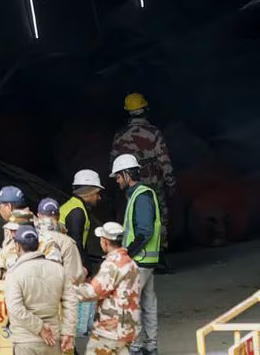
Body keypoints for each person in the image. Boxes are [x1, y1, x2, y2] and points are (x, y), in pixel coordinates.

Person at [111, 93, 176, 252]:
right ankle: (160, 255)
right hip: (154, 182)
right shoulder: (153, 132)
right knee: (159, 216)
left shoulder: (120, 136)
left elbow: (113, 162)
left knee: (134, 216)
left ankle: (135, 251)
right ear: (145, 109)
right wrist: (171, 183)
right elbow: (164, 161)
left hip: (130, 184)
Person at [111, 155, 161, 355]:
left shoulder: (140, 197)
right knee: (148, 304)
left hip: (139, 261)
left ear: (126, 174)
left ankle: (137, 347)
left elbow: (144, 231)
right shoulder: (140, 195)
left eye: (118, 177)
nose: (117, 181)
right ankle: (150, 346)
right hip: (146, 261)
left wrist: (126, 253)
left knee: (132, 307)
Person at [4, 225, 78, 355]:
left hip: (25, 342)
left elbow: (15, 308)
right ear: (38, 245)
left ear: (17, 247)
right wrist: (68, 332)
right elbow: (71, 301)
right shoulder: (58, 269)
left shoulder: (14, 273)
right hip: (52, 341)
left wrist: (40, 328)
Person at [75, 222, 140, 355]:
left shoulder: (113, 264)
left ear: (105, 242)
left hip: (110, 330)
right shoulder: (130, 262)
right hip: (127, 327)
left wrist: (69, 288)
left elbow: (92, 292)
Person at [60, 170, 104, 269]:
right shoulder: (77, 211)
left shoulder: (74, 205)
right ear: (89, 192)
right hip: (68, 263)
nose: (99, 198)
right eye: (97, 193)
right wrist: (85, 267)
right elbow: (75, 243)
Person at [35, 198, 84, 285]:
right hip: (55, 294)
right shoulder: (67, 242)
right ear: (59, 217)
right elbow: (74, 278)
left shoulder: (28, 237)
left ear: (38, 215)